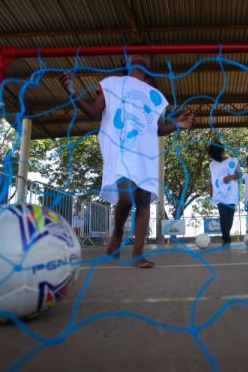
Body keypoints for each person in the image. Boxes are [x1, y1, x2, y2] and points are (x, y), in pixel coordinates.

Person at [60, 53, 195, 268]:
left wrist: (177, 124)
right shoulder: (112, 83)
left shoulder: (156, 96)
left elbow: (158, 128)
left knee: (143, 199)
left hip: (145, 153)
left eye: (145, 53)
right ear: (125, 61)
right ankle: (116, 235)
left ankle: (138, 254)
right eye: (134, 51)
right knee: (126, 196)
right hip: (121, 149)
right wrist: (73, 94)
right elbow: (94, 112)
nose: (141, 53)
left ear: (150, 65)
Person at [208, 140, 240, 246]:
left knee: (229, 217)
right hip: (219, 195)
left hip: (232, 195)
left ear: (221, 151)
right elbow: (212, 179)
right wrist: (211, 191)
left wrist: (230, 177)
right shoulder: (212, 164)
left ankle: (226, 236)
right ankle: (226, 238)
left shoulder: (234, 161)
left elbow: (240, 174)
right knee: (223, 216)